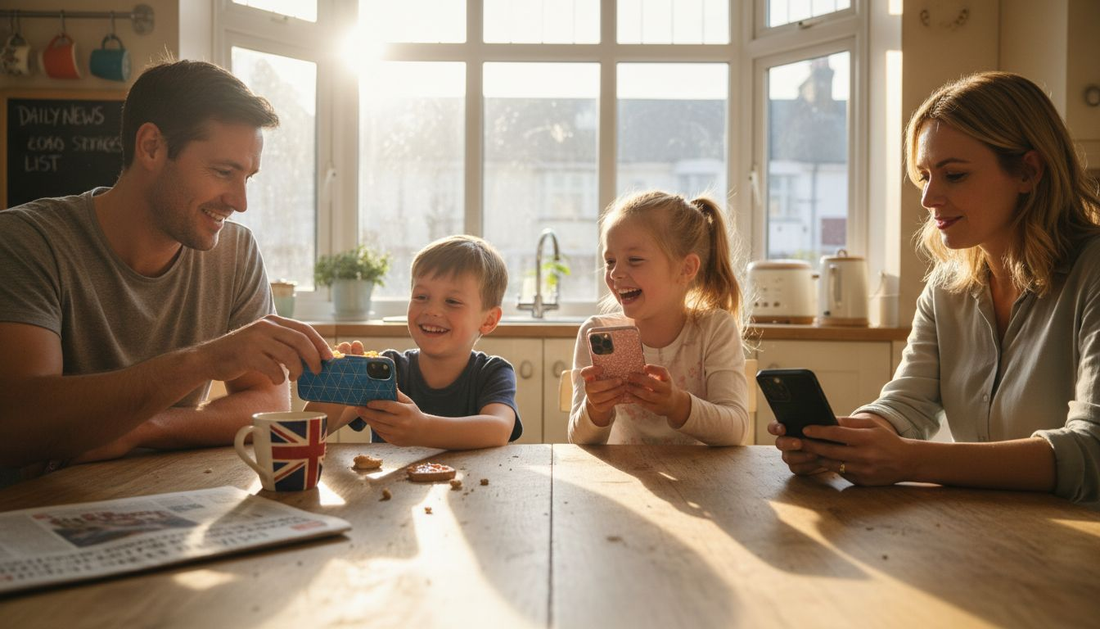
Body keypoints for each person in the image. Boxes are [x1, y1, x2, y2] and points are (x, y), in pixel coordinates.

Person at [770, 71, 1100, 506]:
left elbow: (1092, 452)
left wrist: (911, 461)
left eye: (955, 175)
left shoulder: (1090, 273)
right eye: (924, 175)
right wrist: (846, 441)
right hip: (985, 536)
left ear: (1028, 171)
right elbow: (908, 404)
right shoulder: (948, 287)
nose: (928, 198)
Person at [0, 60, 333, 481]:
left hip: (166, 495)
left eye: (248, 177)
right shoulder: (27, 242)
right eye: (224, 172)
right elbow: (14, 420)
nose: (239, 201)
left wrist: (142, 428)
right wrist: (202, 361)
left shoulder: (236, 251)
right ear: (152, 147)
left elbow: (267, 401)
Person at [568, 190, 751, 445]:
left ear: (686, 269)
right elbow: (578, 440)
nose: (616, 273)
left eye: (634, 260)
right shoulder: (596, 332)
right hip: (618, 482)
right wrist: (596, 409)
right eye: (610, 261)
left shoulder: (715, 329)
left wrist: (678, 405)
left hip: (703, 481)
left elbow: (736, 431)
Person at [307, 235, 522, 449]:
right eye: (421, 297)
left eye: (452, 302)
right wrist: (335, 384)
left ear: (488, 320)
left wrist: (423, 429)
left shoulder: (493, 372)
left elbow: (498, 429)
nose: (432, 310)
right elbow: (309, 430)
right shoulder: (387, 370)